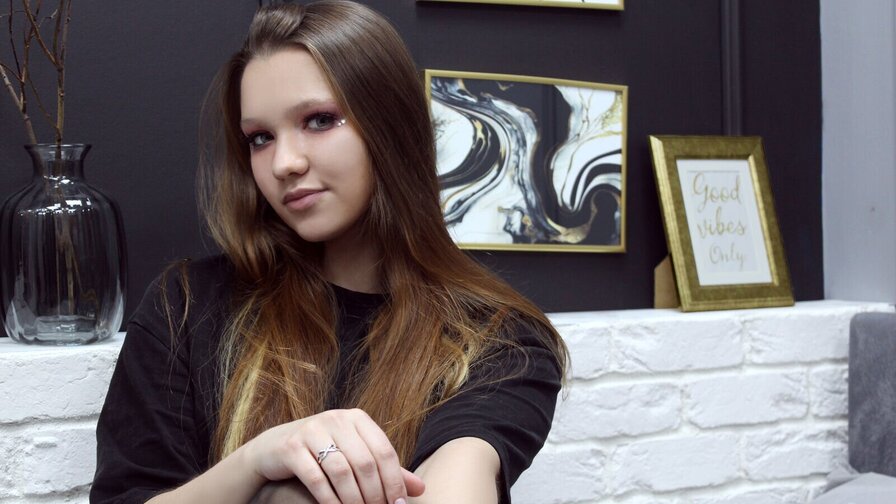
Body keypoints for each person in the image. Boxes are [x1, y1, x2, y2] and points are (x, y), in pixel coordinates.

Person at [90, 1, 567, 503]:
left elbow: (459, 474)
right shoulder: (188, 305)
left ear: (390, 126)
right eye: (260, 138)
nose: (284, 163)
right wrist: (256, 461)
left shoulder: (496, 338)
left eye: (319, 120)